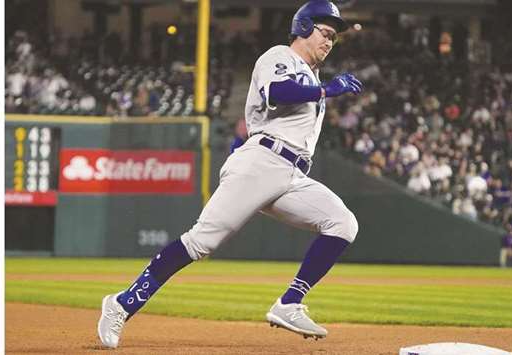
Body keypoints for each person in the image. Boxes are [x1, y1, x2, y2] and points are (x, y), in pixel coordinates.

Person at [97, 0, 362, 348]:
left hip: (293, 172)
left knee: (343, 224)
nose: (329, 41)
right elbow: (278, 93)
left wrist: (321, 87)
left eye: (334, 37)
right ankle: (122, 303)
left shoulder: (311, 75)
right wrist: (328, 88)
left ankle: (290, 302)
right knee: (200, 242)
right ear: (303, 28)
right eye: (325, 33)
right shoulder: (279, 56)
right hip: (261, 161)